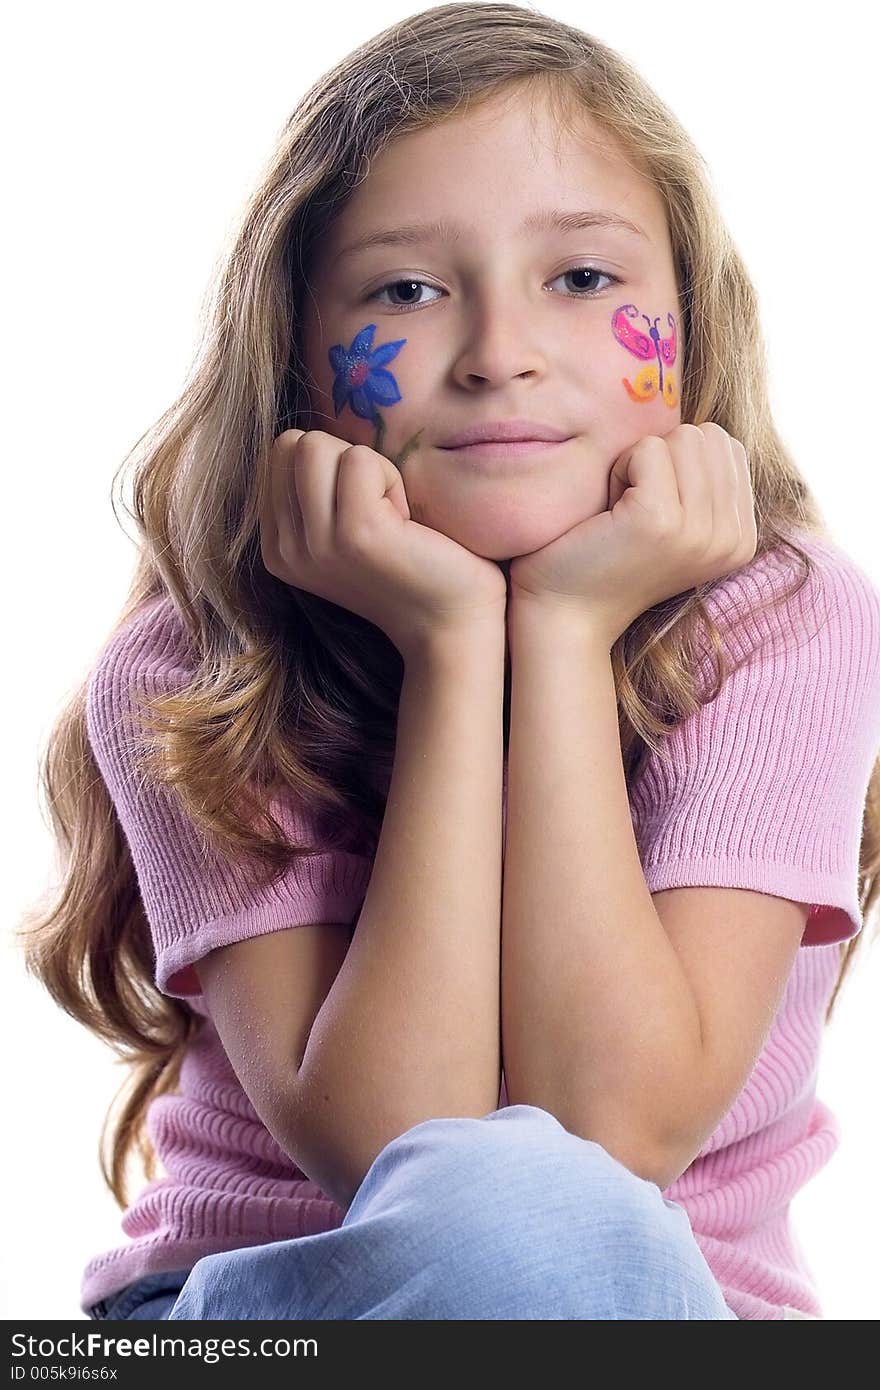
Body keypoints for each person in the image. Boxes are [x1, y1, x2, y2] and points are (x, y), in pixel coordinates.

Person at [18, 2, 880, 1323]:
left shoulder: (784, 617)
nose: (500, 354)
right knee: (515, 1220)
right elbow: (394, 1147)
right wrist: (454, 641)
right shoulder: (195, 660)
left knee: (558, 1223)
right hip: (265, 1314)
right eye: (406, 289)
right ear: (298, 360)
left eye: (583, 279)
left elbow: (612, 1134)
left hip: (683, 1313)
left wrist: (566, 627)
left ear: (691, 328)